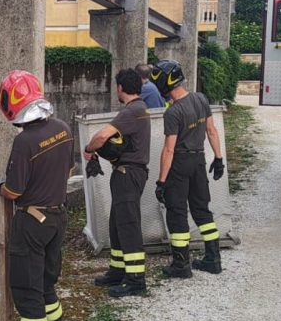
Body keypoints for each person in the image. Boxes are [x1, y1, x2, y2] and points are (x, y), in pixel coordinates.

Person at [0, 70, 74, 321]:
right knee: (46, 287)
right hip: (57, 217)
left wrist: (0, 188)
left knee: (28, 294)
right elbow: (68, 169)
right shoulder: (63, 129)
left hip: (31, 223)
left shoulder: (24, 141)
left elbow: (14, 190)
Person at [150, 59, 225, 277]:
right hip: (199, 161)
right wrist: (218, 158)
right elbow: (212, 131)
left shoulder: (173, 112)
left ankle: (181, 265)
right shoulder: (201, 98)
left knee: (177, 213)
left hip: (180, 164)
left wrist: (161, 181)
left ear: (163, 83)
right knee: (202, 210)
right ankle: (213, 259)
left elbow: (169, 150)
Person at [83, 68, 152, 297]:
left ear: (120, 88)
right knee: (117, 224)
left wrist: (89, 148)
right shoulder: (140, 109)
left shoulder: (132, 111)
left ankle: (136, 281)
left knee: (128, 225)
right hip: (128, 173)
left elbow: (102, 136)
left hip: (128, 174)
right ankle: (118, 271)